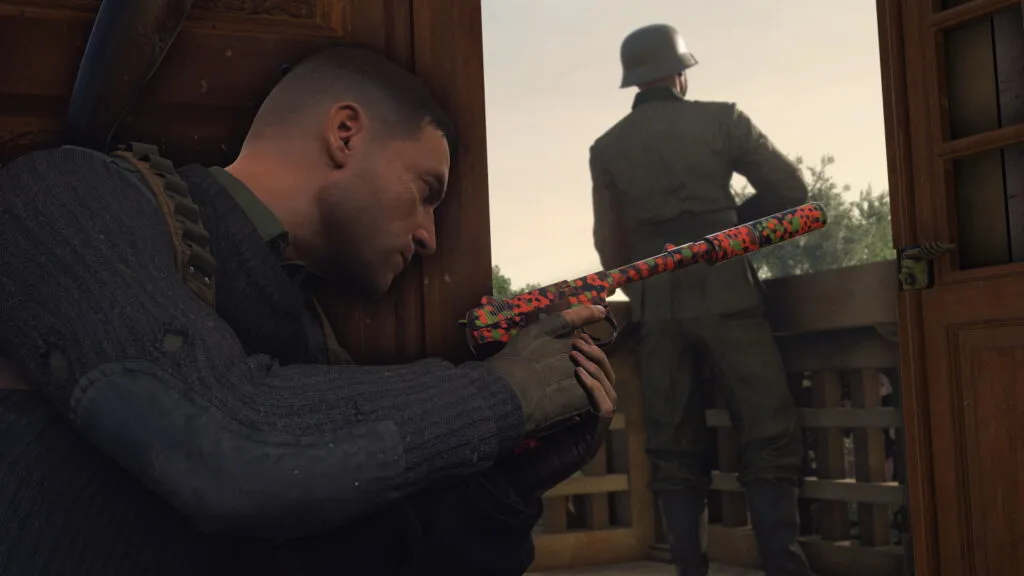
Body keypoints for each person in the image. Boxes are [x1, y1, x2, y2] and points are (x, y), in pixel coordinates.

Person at [0, 45, 617, 575]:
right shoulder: (69, 196)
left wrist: (506, 486)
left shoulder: (313, 349)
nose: (429, 236)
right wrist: (506, 393)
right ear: (345, 133)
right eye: (426, 192)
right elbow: (228, 458)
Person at [589, 24, 815, 576]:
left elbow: (609, 244)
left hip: (655, 305)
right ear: (680, 74)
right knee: (768, 433)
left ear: (634, 81)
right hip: (727, 288)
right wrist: (728, 229)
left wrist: (645, 286)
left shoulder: (608, 148)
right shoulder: (723, 120)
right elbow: (791, 192)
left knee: (672, 447)